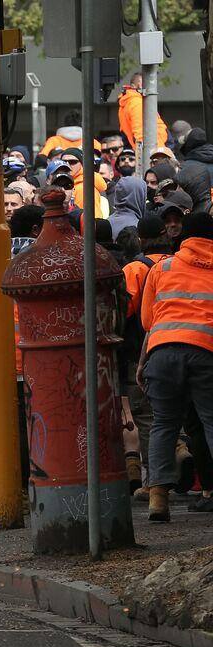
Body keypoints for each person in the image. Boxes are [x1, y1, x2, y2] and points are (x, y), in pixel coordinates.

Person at [138, 212, 213, 522]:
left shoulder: (163, 267)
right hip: (205, 351)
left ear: (183, 236)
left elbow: (147, 321)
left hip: (162, 352)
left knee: (164, 424)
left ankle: (158, 498)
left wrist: (143, 362)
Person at [118, 73, 169, 154]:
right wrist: (159, 155)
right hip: (156, 151)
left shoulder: (129, 102)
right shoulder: (137, 103)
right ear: (134, 86)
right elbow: (141, 134)